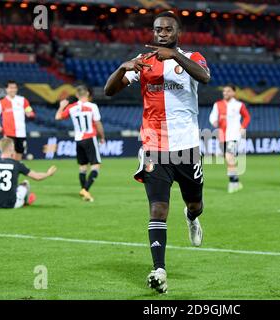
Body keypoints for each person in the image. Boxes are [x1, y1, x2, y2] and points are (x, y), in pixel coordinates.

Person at [104, 11, 210, 293]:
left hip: (186, 148)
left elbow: (205, 77)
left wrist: (174, 56)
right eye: (158, 29)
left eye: (167, 29)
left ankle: (192, 218)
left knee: (194, 204)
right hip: (154, 146)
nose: (162, 33)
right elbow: (108, 90)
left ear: (178, 32)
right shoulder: (143, 62)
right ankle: (159, 270)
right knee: (158, 208)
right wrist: (122, 67)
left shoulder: (192, 57)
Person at [55, 85, 105, 202]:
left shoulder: (72, 107)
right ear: (87, 93)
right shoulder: (92, 106)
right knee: (96, 166)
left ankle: (84, 192)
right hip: (90, 137)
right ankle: (85, 189)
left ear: (77, 95)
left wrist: (62, 106)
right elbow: (97, 123)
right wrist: (102, 136)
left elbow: (57, 117)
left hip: (78, 139)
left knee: (82, 167)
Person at [0, 137, 57, 209]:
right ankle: (25, 203)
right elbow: (37, 177)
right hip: (12, 204)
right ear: (11, 148)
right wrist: (48, 173)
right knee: (25, 184)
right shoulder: (16, 164)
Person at [209, 84, 251, 193]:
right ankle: (236, 181)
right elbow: (212, 116)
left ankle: (232, 183)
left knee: (229, 156)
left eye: (228, 91)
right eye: (224, 91)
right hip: (222, 136)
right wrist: (214, 121)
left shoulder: (239, 105)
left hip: (234, 135)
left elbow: (247, 117)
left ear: (233, 93)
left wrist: (242, 127)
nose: (225, 93)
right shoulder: (217, 104)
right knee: (228, 159)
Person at [0, 80, 35, 161]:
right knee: (7, 154)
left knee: (19, 154)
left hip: (21, 133)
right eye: (11, 88)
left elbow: (29, 110)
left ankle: (15, 171)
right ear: (6, 89)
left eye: (14, 87)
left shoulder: (23, 100)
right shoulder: (1, 102)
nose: (13, 89)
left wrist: (30, 113)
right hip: (8, 132)